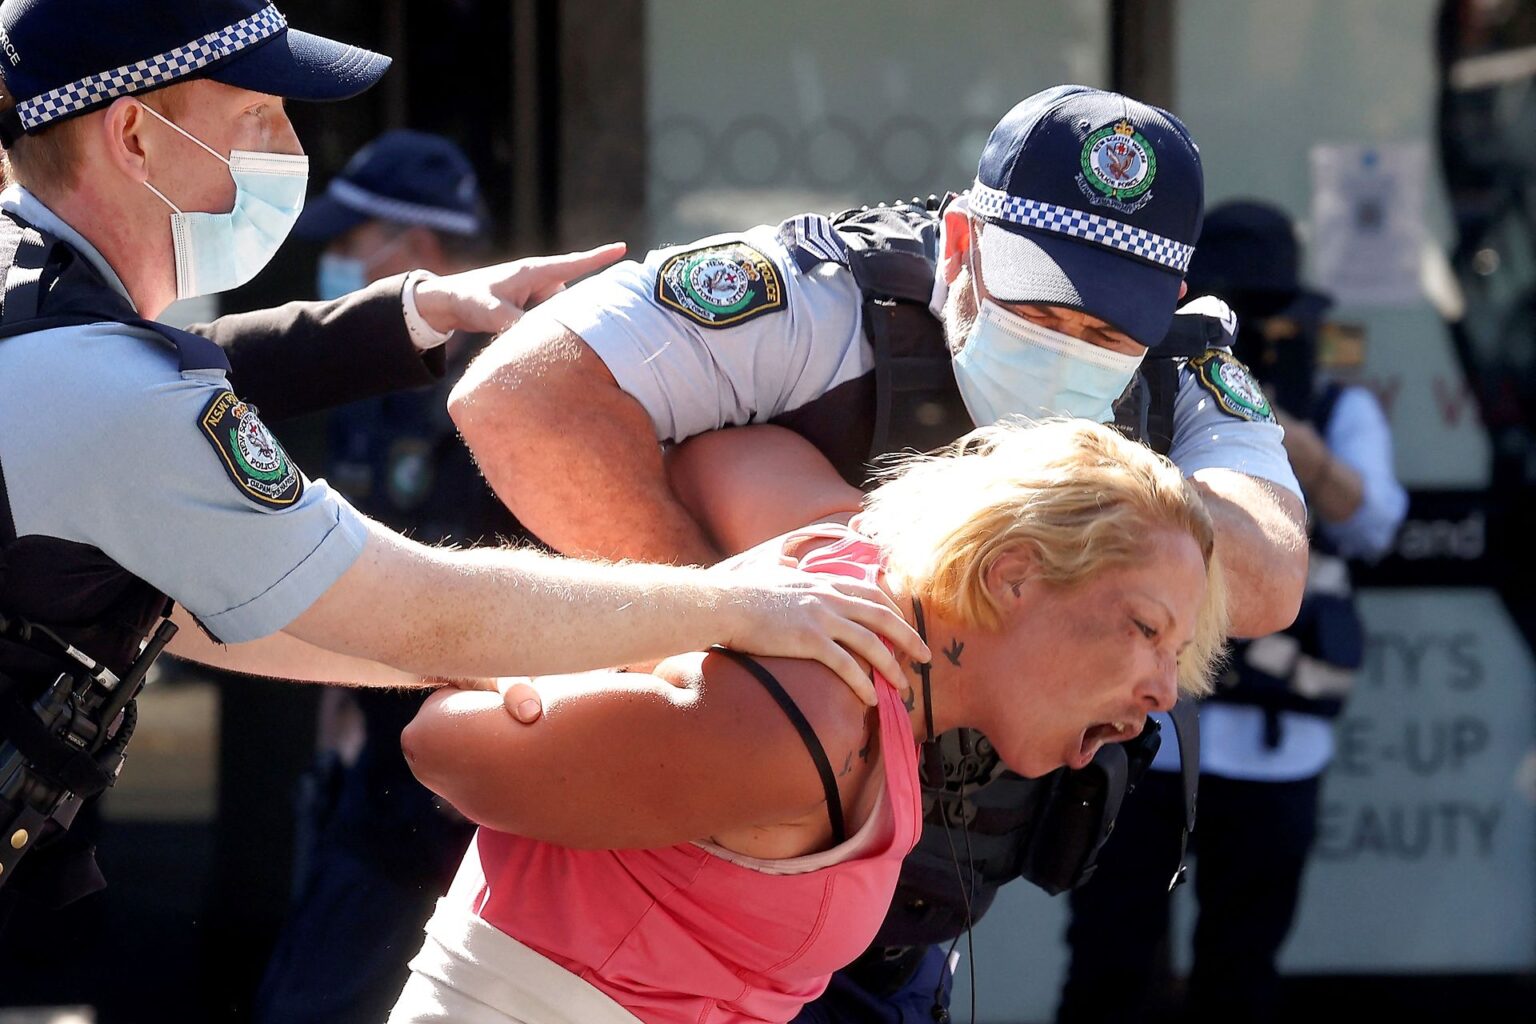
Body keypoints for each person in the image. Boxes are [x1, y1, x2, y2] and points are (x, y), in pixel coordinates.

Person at [0, 0, 928, 915]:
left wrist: (418, 311)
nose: (288, 144)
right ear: (132, 136)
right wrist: (737, 604)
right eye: (256, 113)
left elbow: (224, 605)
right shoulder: (102, 386)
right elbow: (402, 604)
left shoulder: (40, 308)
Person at [446, 85, 1308, 1016]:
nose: (1070, 353)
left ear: (1165, 303)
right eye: (1043, 313)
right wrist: (736, 639)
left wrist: (1044, 529)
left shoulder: (1180, 365)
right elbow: (520, 399)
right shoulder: (825, 296)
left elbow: (1265, 579)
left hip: (894, 941)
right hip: (677, 913)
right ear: (962, 247)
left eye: (1106, 335)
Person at [388, 417, 1231, 1024]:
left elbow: (729, 449)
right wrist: (635, 635)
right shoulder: (813, 713)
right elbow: (439, 740)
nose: (1163, 690)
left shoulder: (859, 596)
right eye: (1146, 629)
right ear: (1012, 577)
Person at [1056, 200, 1408, 1024]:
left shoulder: (1335, 405)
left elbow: (1378, 520)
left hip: (1276, 746)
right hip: (1140, 737)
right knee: (1108, 960)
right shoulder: (1143, 386)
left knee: (1241, 971)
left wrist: (1277, 443)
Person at [251, 130, 518, 1024]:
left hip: (472, 790)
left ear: (419, 247)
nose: (337, 262)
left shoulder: (505, 385)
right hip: (374, 771)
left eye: (353, 240)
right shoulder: (380, 384)